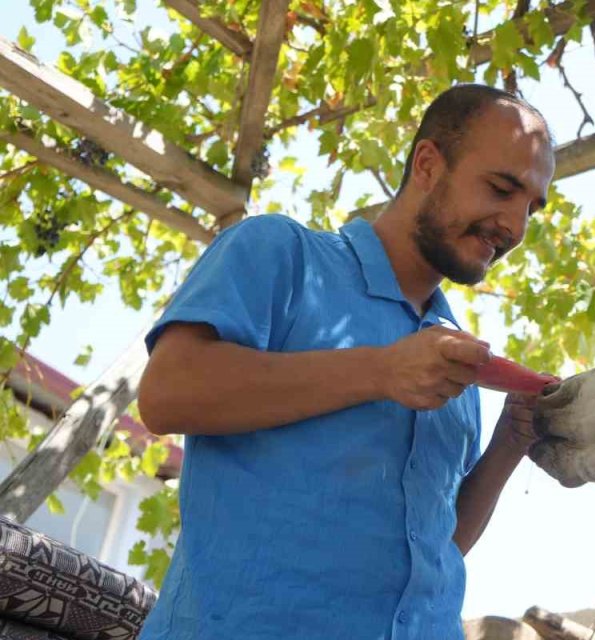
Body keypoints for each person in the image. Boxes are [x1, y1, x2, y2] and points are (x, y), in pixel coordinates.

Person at [135, 84, 556, 640]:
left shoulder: (453, 360)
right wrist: (381, 371)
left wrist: (508, 445)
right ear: (428, 164)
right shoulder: (279, 253)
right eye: (502, 189)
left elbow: (435, 546)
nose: (515, 226)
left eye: (531, 207)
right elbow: (167, 393)